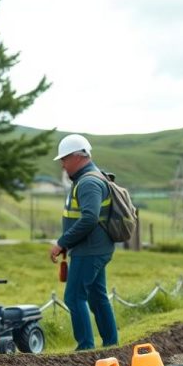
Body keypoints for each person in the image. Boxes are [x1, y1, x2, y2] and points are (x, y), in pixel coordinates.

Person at [49, 134, 119, 351]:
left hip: (89, 250)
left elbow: (89, 218)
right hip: (94, 248)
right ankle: (111, 344)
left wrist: (62, 242)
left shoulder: (88, 182)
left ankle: (85, 347)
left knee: (74, 296)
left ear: (77, 157)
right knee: (97, 296)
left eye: (64, 159)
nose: (62, 164)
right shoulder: (90, 178)